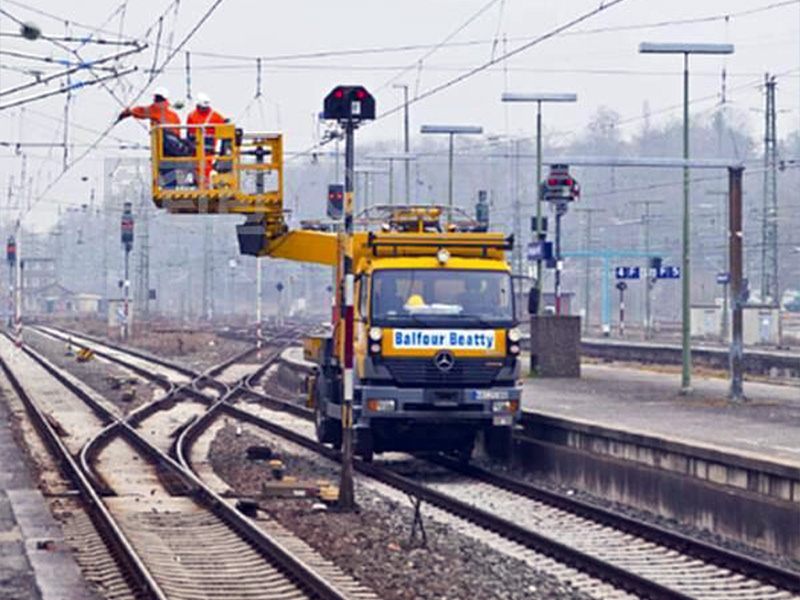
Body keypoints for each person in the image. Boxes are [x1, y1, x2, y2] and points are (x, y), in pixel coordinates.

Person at [118, 87, 185, 188]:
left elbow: (141, 111)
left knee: (165, 170)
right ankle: (171, 187)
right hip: (175, 146)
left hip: (164, 145)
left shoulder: (156, 108)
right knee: (170, 169)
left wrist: (128, 112)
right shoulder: (172, 113)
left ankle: (169, 189)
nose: (154, 100)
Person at [186, 92, 227, 187]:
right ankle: (200, 184)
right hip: (196, 149)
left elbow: (225, 132)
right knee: (197, 167)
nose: (204, 109)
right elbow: (189, 133)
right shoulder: (192, 116)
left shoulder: (216, 116)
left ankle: (205, 185)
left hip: (208, 149)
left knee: (206, 168)